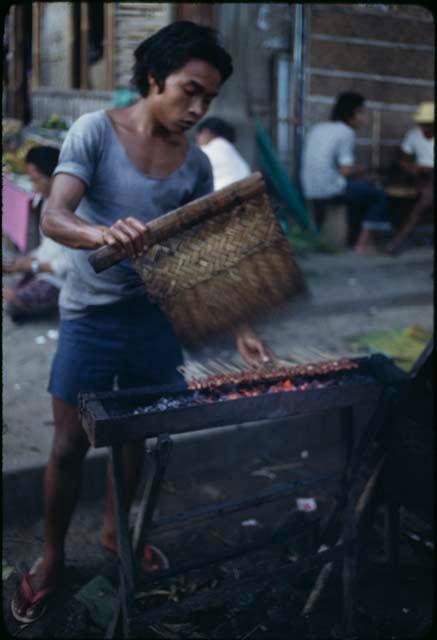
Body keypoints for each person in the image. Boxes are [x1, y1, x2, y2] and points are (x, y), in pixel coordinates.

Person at [11, 21, 272, 625]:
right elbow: (54, 216)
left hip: (153, 321)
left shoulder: (194, 167)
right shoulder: (94, 132)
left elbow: (198, 257)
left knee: (137, 436)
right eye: (190, 90)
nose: (199, 108)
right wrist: (103, 233)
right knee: (71, 442)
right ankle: (51, 557)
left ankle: (113, 532)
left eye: (209, 98)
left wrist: (239, 324)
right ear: (154, 78)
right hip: (91, 318)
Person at [300, 92, 392, 253]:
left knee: (360, 189)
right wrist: (364, 172)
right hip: (329, 188)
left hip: (308, 187)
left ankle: (353, 237)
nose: (364, 118)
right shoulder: (346, 132)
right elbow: (346, 170)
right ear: (351, 113)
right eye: (361, 113)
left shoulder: (319, 127)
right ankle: (362, 245)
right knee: (378, 194)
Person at [3, 146, 69, 322]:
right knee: (13, 285)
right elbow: (47, 247)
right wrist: (28, 261)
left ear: (54, 177)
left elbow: (68, 266)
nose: (33, 186)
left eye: (36, 180)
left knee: (14, 301)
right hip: (47, 270)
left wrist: (33, 266)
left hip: (64, 280)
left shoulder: (72, 208)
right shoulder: (46, 201)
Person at [385, 101, 434, 255]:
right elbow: (402, 158)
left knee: (425, 199)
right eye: (422, 123)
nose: (424, 127)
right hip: (419, 176)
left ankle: (397, 241)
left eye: (428, 124)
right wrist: (410, 167)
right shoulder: (413, 134)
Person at [195, 116, 251, 189]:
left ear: (206, 132)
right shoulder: (232, 152)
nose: (197, 141)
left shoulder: (206, 151)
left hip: (221, 197)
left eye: (198, 136)